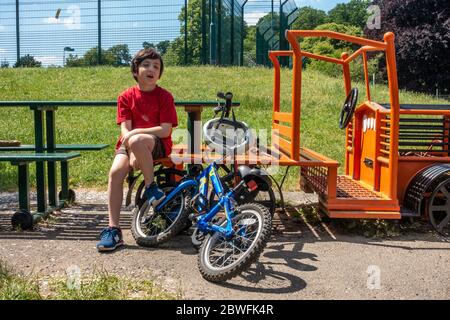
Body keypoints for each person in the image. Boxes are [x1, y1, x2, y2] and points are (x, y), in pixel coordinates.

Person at [97, 48, 178, 252]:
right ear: (135, 70)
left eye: (156, 66)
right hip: (130, 144)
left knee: (139, 138)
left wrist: (136, 137)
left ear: (160, 73)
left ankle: (151, 186)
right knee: (115, 173)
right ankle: (113, 229)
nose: (151, 69)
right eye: (146, 65)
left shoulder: (165, 96)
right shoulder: (125, 96)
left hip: (156, 143)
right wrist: (132, 149)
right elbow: (125, 130)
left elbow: (165, 129)